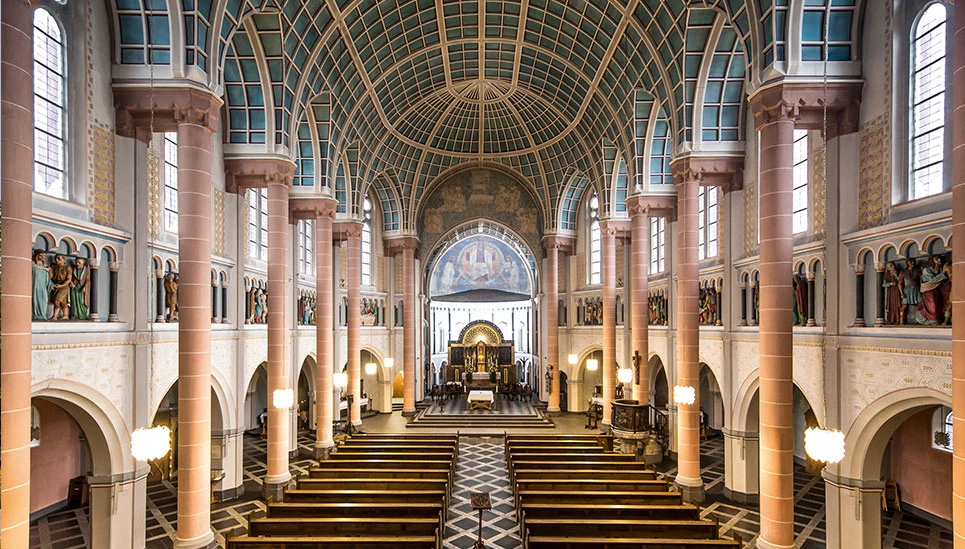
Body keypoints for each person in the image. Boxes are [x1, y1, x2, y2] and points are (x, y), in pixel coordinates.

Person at [920, 254, 951, 324]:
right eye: (936, 259)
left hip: (937, 288)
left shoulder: (940, 269)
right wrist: (943, 272)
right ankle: (932, 319)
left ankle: (938, 318)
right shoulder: (926, 270)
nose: (939, 260)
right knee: (933, 304)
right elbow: (933, 279)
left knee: (939, 303)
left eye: (940, 259)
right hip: (928, 289)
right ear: (932, 261)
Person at [49, 254, 73, 321]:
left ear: (63, 259)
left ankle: (55, 316)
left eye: (59, 258)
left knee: (57, 300)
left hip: (64, 286)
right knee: (63, 302)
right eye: (56, 258)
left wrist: (62, 285)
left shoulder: (67, 267)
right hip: (56, 285)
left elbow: (69, 279)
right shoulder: (54, 267)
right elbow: (51, 276)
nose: (57, 260)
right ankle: (65, 315)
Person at [32, 249, 52, 320]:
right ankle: (36, 314)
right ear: (36, 255)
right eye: (41, 255)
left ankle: (42, 314)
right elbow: (34, 266)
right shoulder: (33, 263)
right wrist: (45, 269)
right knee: (35, 299)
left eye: (44, 256)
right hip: (35, 285)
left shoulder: (44, 265)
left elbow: (48, 278)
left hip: (43, 287)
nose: (42, 257)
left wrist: (51, 284)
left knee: (44, 299)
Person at [882, 261, 903, 325]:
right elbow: (883, 284)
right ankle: (890, 320)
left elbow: (900, 280)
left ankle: (898, 320)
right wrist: (890, 283)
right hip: (890, 292)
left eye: (892, 265)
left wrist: (896, 275)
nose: (892, 267)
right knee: (890, 306)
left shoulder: (898, 272)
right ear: (888, 268)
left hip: (897, 290)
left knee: (897, 305)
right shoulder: (887, 274)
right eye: (890, 266)